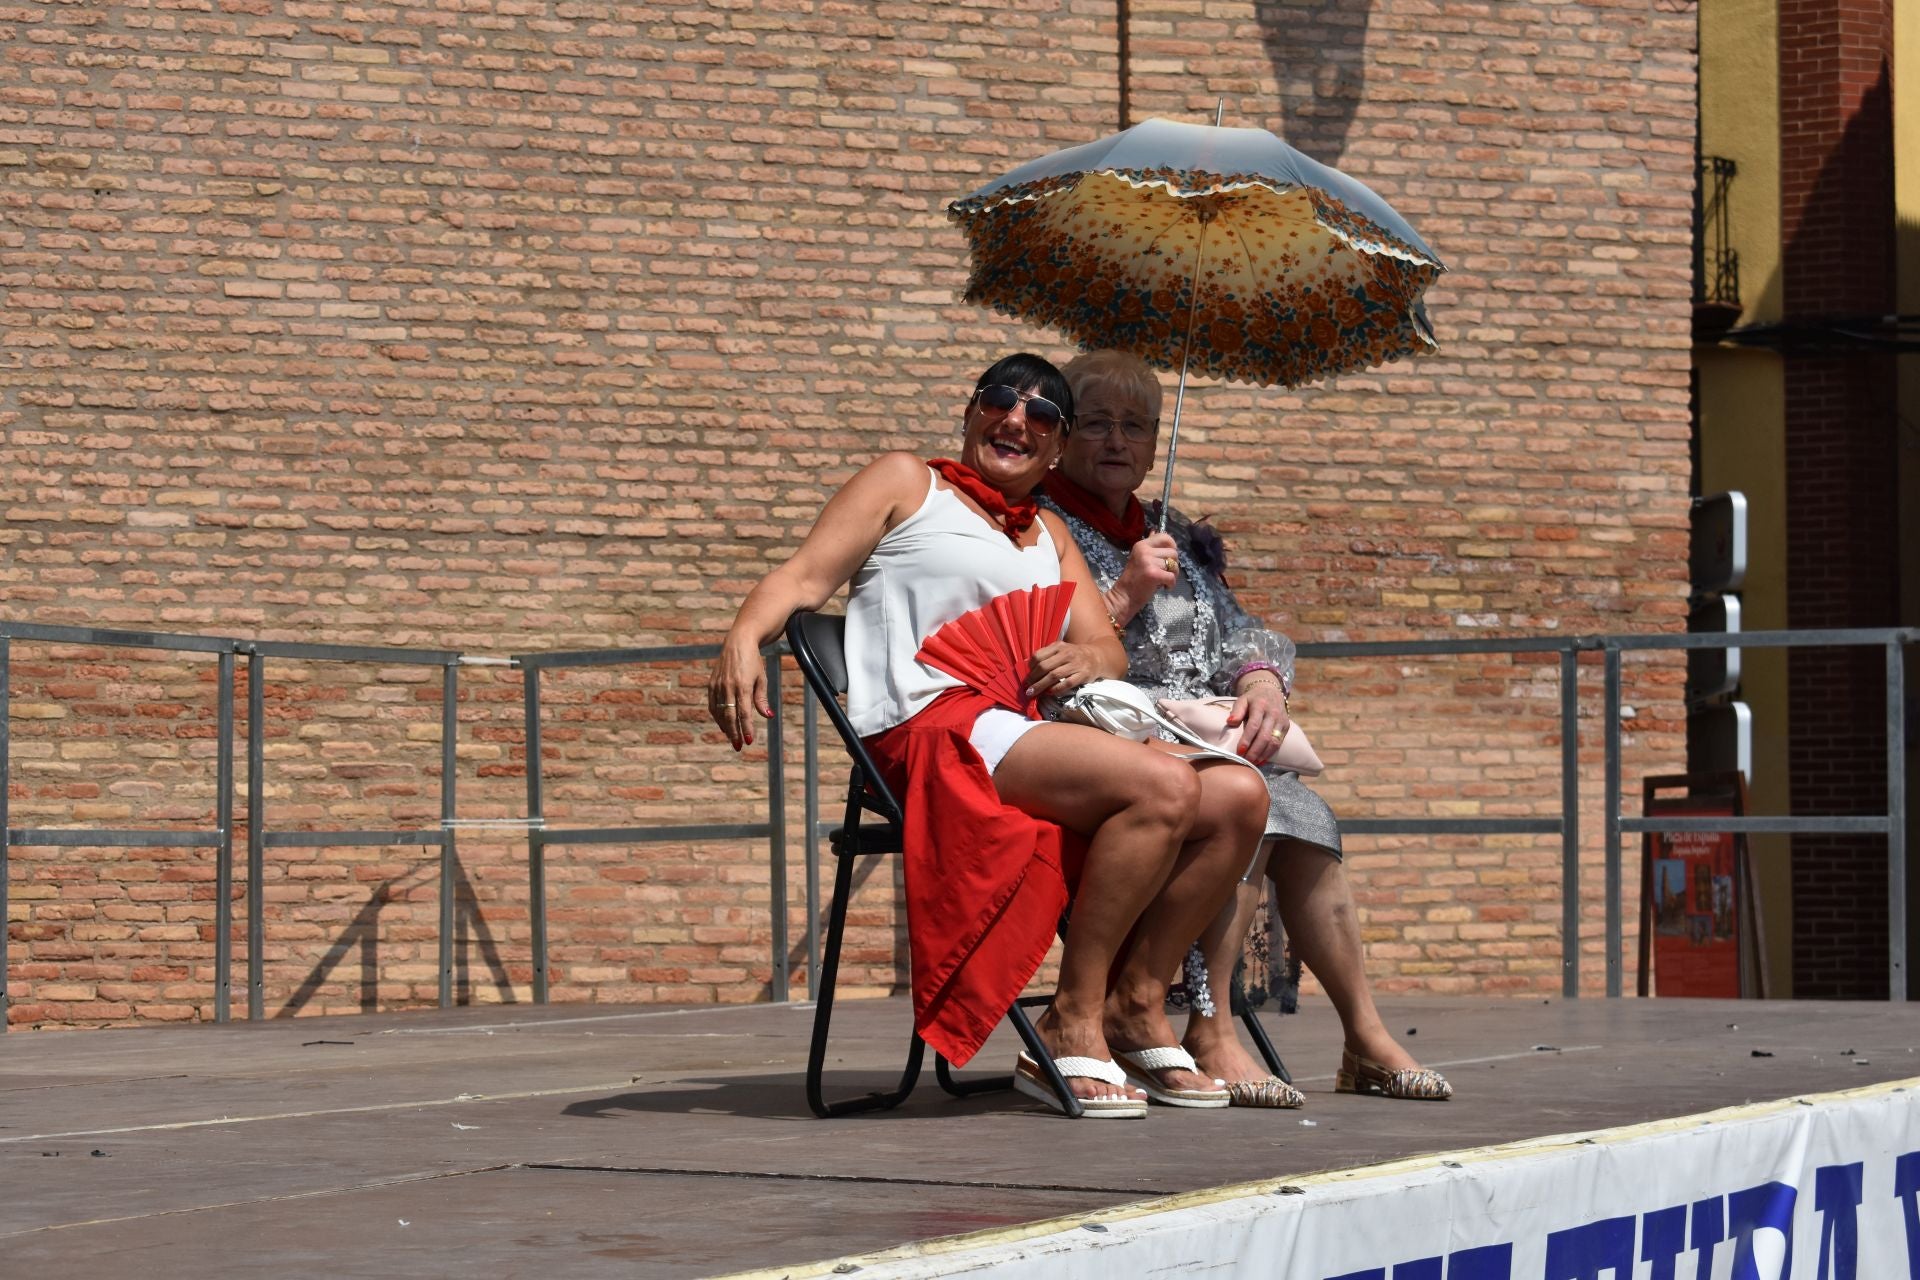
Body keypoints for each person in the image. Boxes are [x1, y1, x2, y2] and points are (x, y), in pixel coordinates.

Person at [708, 352, 1271, 1117]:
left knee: (1238, 795)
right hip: (928, 727)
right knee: (1165, 785)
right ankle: (1072, 1018)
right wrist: (744, 635)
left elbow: (1103, 646)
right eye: (1000, 398)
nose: (1016, 419)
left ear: (1057, 443)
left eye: (1041, 414)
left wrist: (1086, 656)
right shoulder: (907, 482)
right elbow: (803, 578)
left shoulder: (1049, 533)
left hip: (1016, 727)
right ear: (972, 410)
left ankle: (1136, 1004)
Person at [1039, 349, 1452, 1105]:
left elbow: (1236, 631)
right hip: (1105, 729)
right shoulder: (1041, 526)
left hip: (1203, 725)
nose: (1117, 441)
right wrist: (1125, 593)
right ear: (1063, 437)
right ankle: (1212, 1025)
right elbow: (1047, 650)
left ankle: (1363, 1034)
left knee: (1303, 809)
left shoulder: (1175, 533)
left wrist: (1261, 682)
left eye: (1135, 426)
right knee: (1249, 799)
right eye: (1096, 423)